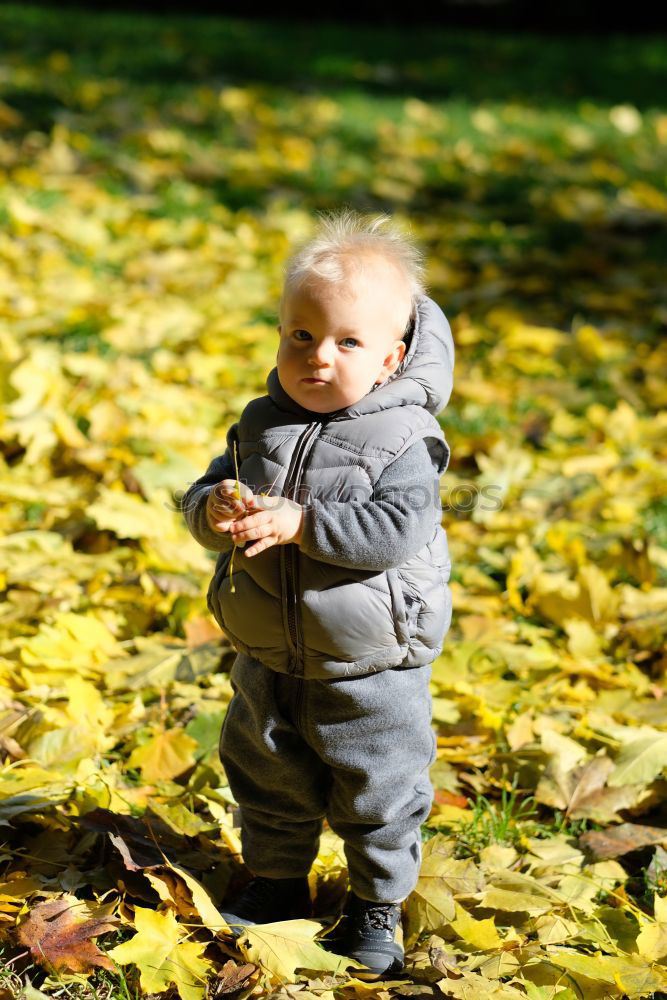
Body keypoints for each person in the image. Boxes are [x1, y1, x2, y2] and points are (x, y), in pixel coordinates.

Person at [181, 208, 454, 978]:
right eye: (300, 336)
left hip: (370, 665)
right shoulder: (261, 423)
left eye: (346, 342)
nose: (318, 358)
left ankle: (374, 907)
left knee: (378, 792)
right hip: (268, 656)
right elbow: (201, 494)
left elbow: (397, 527)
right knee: (266, 774)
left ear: (392, 359)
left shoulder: (405, 438)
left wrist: (303, 523)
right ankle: (275, 887)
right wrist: (215, 506)